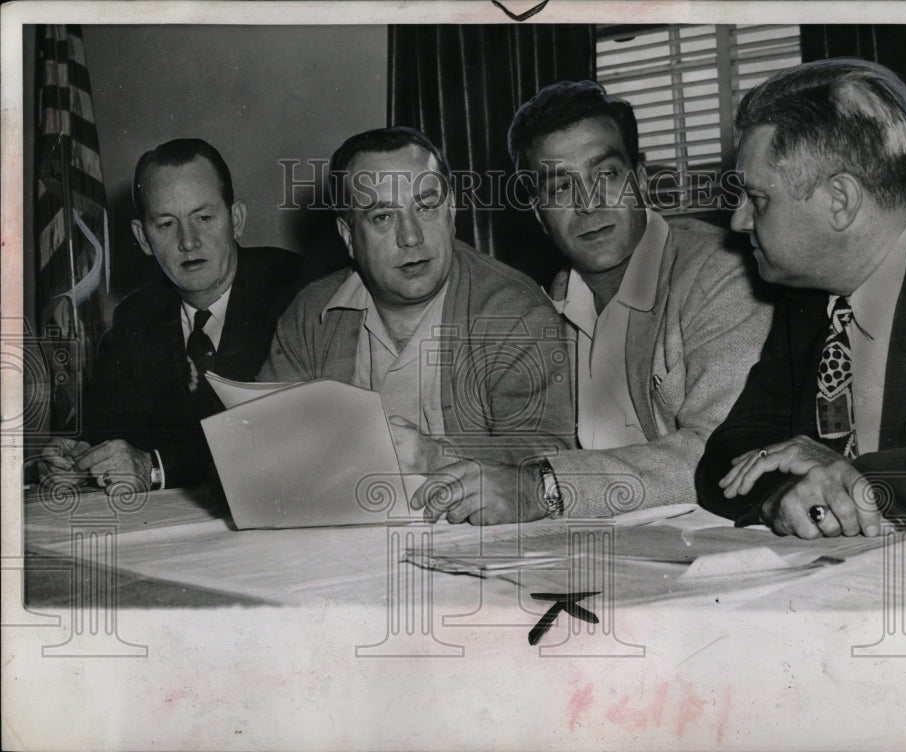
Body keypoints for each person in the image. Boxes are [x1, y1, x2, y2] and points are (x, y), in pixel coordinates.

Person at [409, 80, 773, 524]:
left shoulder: (722, 274)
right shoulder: (547, 303)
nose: (588, 204)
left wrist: (544, 487)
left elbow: (723, 453)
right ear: (540, 214)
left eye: (606, 175)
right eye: (560, 188)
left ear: (639, 180)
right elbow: (534, 444)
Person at [696, 58, 906, 539]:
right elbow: (731, 452)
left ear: (840, 200)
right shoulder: (808, 293)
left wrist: (858, 480)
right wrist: (783, 498)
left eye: (757, 199)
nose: (737, 222)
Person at [257, 126, 575, 519]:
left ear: (452, 210)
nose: (411, 237)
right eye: (383, 217)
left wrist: (432, 456)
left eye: (425, 206)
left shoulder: (513, 310)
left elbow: (550, 458)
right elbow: (261, 446)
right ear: (348, 235)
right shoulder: (311, 316)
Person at [39, 138, 307, 491]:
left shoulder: (298, 293)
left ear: (236, 220)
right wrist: (78, 456)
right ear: (144, 238)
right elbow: (113, 429)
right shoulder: (134, 318)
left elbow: (285, 437)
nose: (188, 241)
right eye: (166, 224)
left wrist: (154, 466)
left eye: (204, 217)